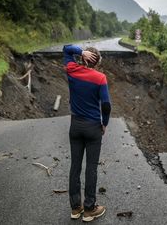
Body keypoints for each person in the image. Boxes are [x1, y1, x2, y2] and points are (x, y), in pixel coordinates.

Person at [62, 44, 111, 222]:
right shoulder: (100, 78)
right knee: (91, 168)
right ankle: (90, 209)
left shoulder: (72, 70)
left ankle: (75, 209)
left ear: (84, 58)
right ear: (97, 62)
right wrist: (104, 123)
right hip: (93, 128)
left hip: (75, 126)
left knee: (75, 166)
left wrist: (81, 51)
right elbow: (106, 105)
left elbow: (66, 49)